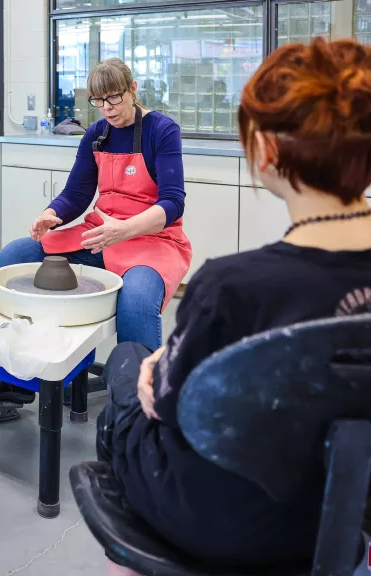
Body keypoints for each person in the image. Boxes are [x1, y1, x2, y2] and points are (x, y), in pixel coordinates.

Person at [96, 37, 371, 576]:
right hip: (346, 511)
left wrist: (156, 369)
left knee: (128, 363)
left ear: (265, 152)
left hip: (237, 521)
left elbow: (170, 407)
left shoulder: (231, 288)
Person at [0, 58, 192, 404]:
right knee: (14, 255)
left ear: (133, 90)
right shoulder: (96, 134)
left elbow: (173, 203)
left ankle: (137, 402)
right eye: (98, 101)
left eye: (114, 99)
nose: (107, 109)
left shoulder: (161, 131)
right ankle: (19, 378)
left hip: (151, 239)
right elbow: (76, 194)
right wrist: (51, 214)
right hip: (99, 233)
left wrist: (125, 229)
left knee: (136, 300)